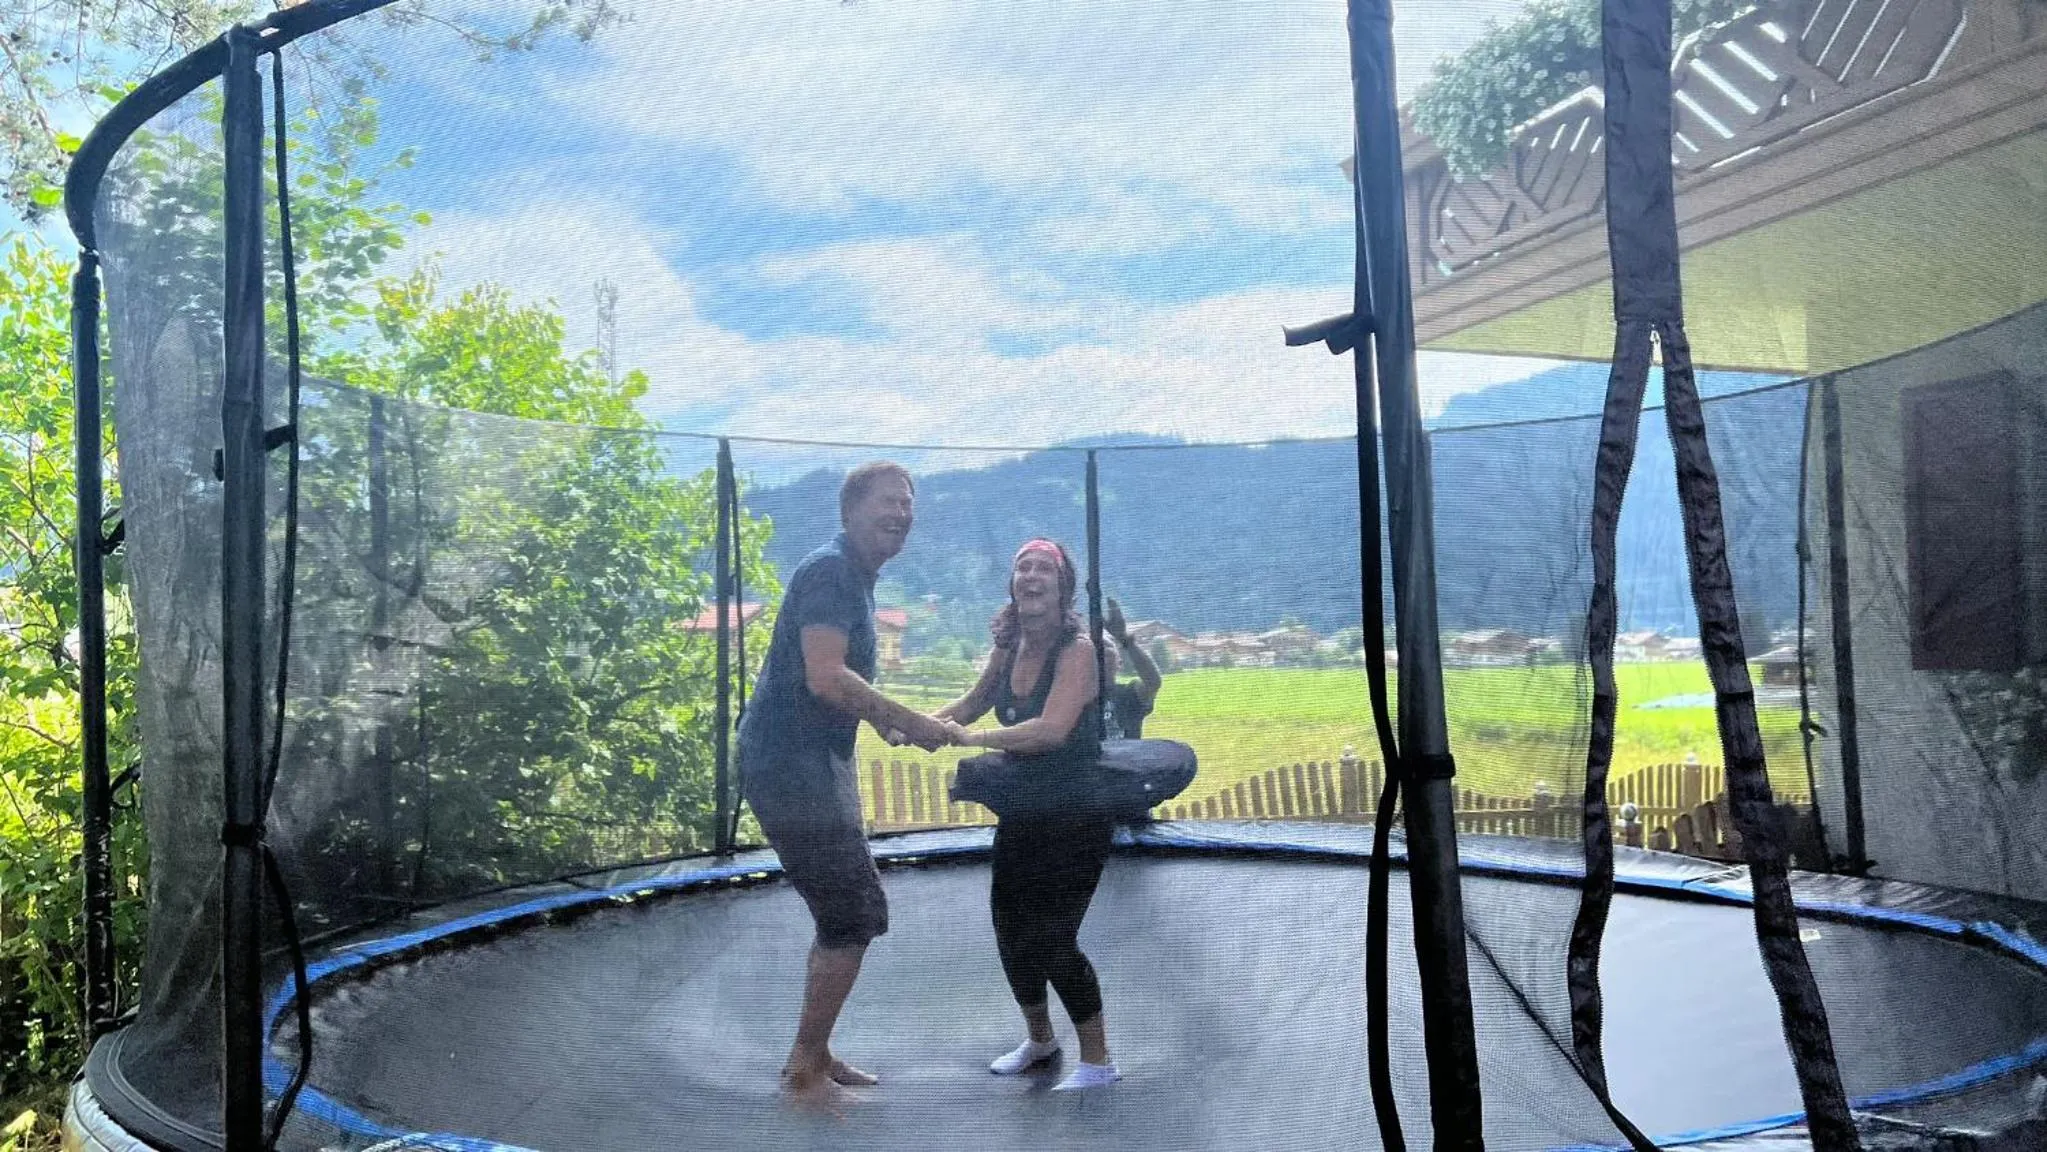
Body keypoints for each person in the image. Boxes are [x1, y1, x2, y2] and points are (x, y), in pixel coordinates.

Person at [737, 461, 952, 1105]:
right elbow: (825, 677)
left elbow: (836, 691)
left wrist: (890, 724)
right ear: (850, 510)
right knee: (853, 911)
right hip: (790, 764)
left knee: (844, 908)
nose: (901, 513)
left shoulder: (851, 579)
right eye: (888, 501)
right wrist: (902, 717)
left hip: (806, 761)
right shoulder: (832, 573)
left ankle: (815, 1050)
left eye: (908, 504)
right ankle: (804, 1065)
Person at [934, 539, 1122, 1092]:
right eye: (1023, 567)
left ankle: (1098, 1061)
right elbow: (969, 703)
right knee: (1010, 927)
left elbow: (1049, 730)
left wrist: (972, 737)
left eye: (1044, 569)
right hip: (1025, 810)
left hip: (1077, 813)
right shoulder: (1010, 642)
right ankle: (1041, 1040)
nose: (1032, 576)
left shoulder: (1078, 650)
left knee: (1053, 936)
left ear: (1062, 588)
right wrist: (916, 723)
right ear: (1012, 583)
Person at [1100, 597, 1162, 740]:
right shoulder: (1074, 697)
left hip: (1125, 761)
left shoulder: (1129, 694)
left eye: (1107, 646)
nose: (1101, 651)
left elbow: (1153, 682)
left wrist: (1124, 639)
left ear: (1119, 663)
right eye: (1095, 647)